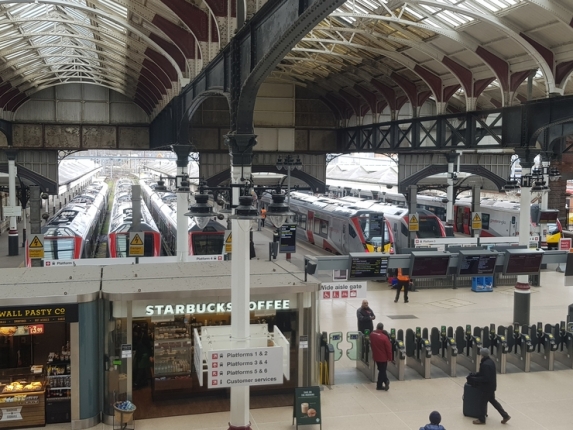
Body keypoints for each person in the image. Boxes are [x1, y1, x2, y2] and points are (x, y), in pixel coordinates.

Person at [470, 348, 511, 425]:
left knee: (482, 403)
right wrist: (476, 375)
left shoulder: (485, 364)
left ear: (482, 355)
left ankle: (481, 419)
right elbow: (484, 374)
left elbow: (485, 378)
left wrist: (474, 379)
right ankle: (505, 415)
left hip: (487, 387)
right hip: (491, 386)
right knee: (493, 401)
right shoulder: (490, 362)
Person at [370, 323, 392, 391]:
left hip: (376, 356)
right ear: (382, 328)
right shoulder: (384, 338)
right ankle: (379, 385)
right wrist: (390, 358)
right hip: (383, 357)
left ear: (377, 327)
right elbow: (388, 349)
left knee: (381, 370)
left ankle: (386, 381)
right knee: (382, 371)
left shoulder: (372, 334)